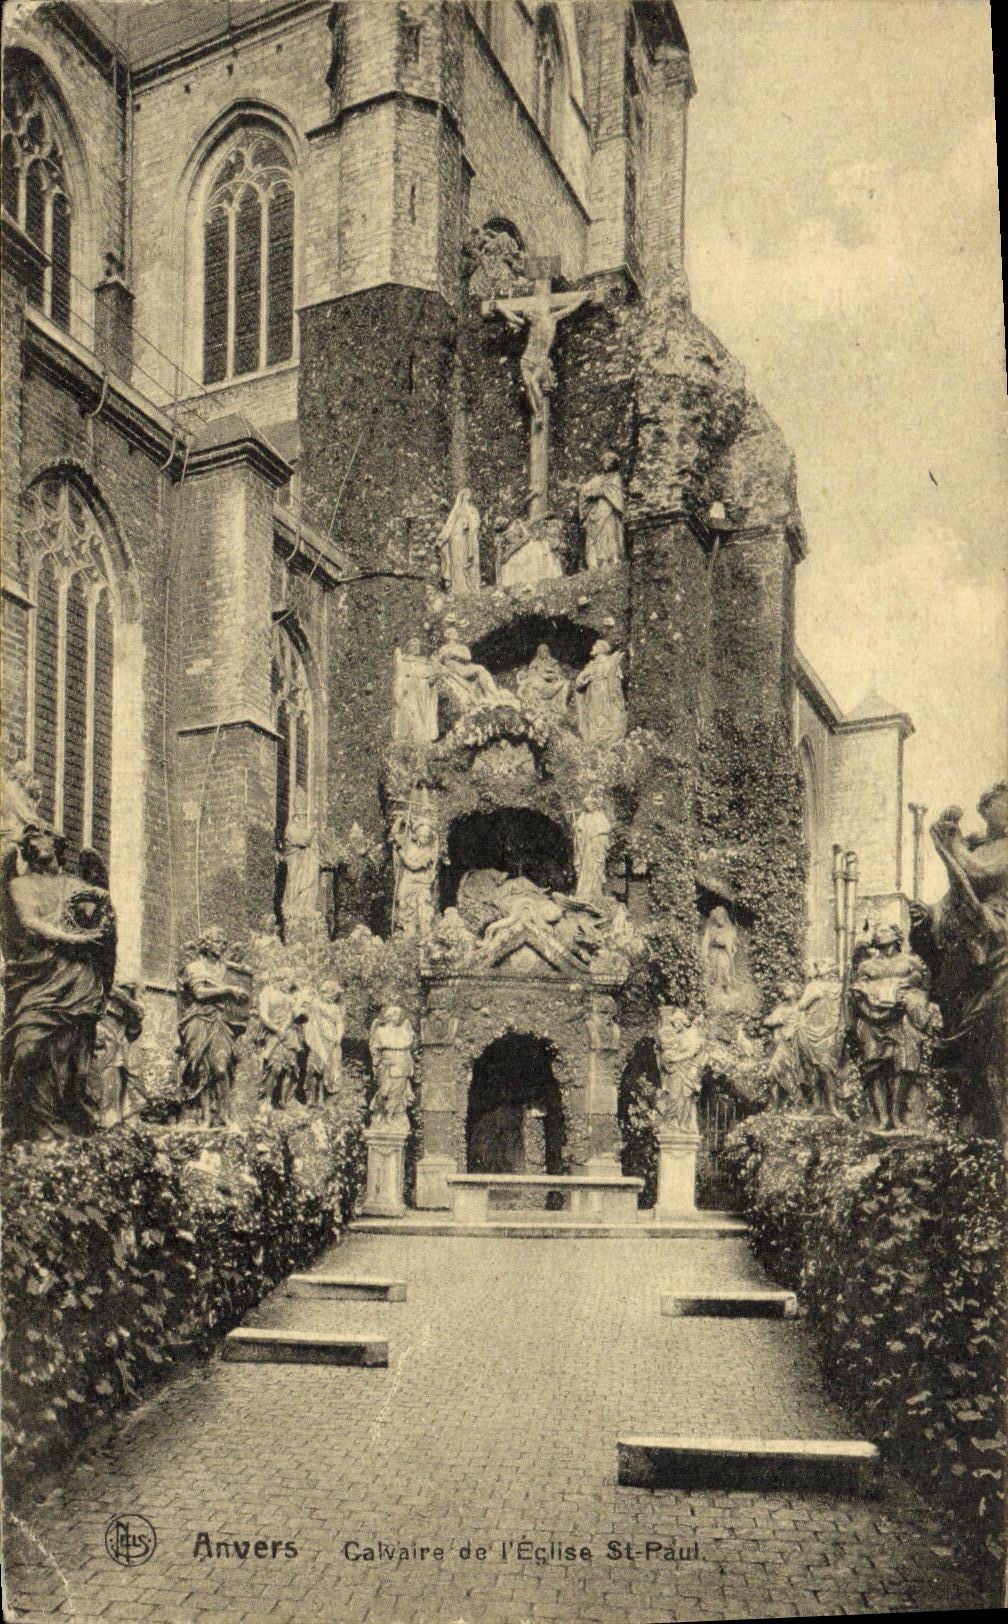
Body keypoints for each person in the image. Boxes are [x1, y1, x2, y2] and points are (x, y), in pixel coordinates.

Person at [1, 825, 117, 1141]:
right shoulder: (19, 884)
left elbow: (101, 928)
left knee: (76, 1059)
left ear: (56, 843)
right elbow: (30, 924)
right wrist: (72, 939)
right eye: (27, 841)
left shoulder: (79, 885)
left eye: (38, 836)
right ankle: (28, 1123)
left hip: (79, 976)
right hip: (39, 977)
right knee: (27, 1048)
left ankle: (62, 1128)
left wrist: (102, 913)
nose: (31, 843)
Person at [177, 927, 249, 1127]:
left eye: (224, 942)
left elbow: (243, 988)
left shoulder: (229, 969)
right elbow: (199, 993)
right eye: (218, 941)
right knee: (201, 1069)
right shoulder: (194, 968)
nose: (223, 945)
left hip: (220, 1020)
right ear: (206, 944)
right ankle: (205, 1116)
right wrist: (228, 990)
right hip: (198, 1018)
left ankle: (226, 1115)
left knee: (220, 1066)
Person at [578, 453, 625, 568]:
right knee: (599, 536)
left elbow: (610, 491)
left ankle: (615, 559)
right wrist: (585, 491)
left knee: (610, 532)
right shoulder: (599, 478)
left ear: (613, 464)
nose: (606, 464)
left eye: (609, 462)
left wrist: (596, 492)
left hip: (609, 509)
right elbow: (586, 488)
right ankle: (600, 562)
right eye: (604, 462)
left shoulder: (615, 477)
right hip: (598, 510)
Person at [436, 487, 482, 596]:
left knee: (468, 563)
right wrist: (442, 539)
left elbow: (477, 523)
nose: (469, 496)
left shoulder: (473, 510)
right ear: (463, 496)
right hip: (457, 538)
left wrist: (470, 525)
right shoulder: (457, 510)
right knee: (457, 563)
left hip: (468, 539)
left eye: (470, 494)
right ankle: (458, 588)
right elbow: (450, 524)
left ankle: (470, 587)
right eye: (467, 494)